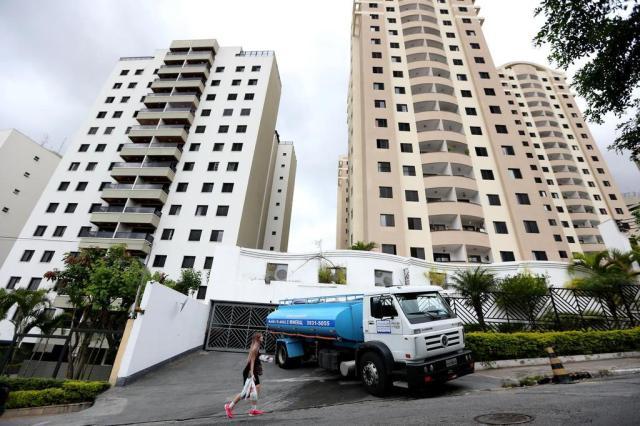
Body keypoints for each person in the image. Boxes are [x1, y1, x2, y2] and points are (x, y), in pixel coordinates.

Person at [224, 333, 264, 418]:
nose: (262, 338)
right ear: (258, 338)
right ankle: (229, 407)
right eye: (261, 337)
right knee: (244, 393)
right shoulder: (255, 347)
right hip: (249, 372)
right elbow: (252, 362)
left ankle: (253, 410)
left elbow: (255, 358)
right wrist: (252, 373)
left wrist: (264, 358)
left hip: (251, 371)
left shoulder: (256, 345)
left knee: (256, 389)